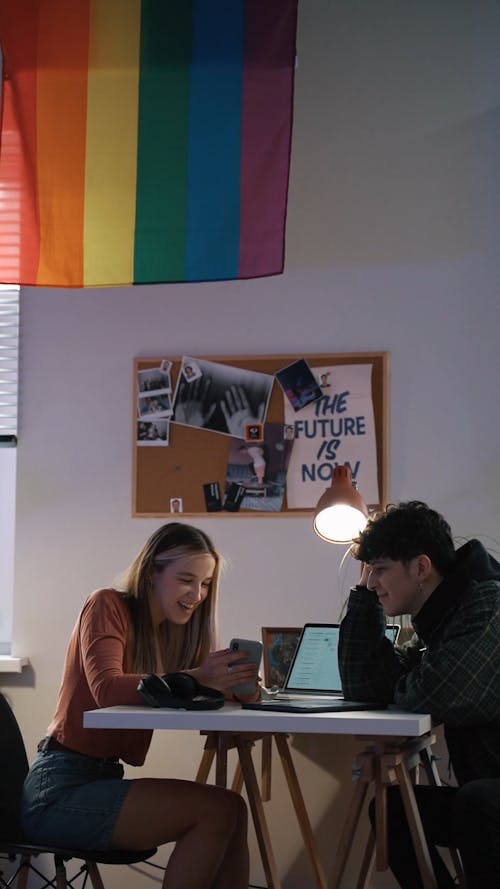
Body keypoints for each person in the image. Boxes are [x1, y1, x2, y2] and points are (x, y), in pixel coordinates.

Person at [21, 523, 261, 889]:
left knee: (233, 809)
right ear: (152, 572)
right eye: (186, 580)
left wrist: (242, 687)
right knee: (218, 810)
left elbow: (200, 688)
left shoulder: (172, 632)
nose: (197, 594)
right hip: (57, 789)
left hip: (100, 778)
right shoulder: (107, 604)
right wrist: (199, 676)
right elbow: (107, 688)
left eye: (206, 583)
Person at [338, 501, 500, 889]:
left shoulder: (488, 604)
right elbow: (363, 685)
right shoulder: (445, 617)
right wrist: (363, 597)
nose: (372, 581)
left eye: (380, 570)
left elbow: (441, 692)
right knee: (391, 811)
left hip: (487, 796)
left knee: (476, 802)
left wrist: (411, 682)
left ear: (421, 568)